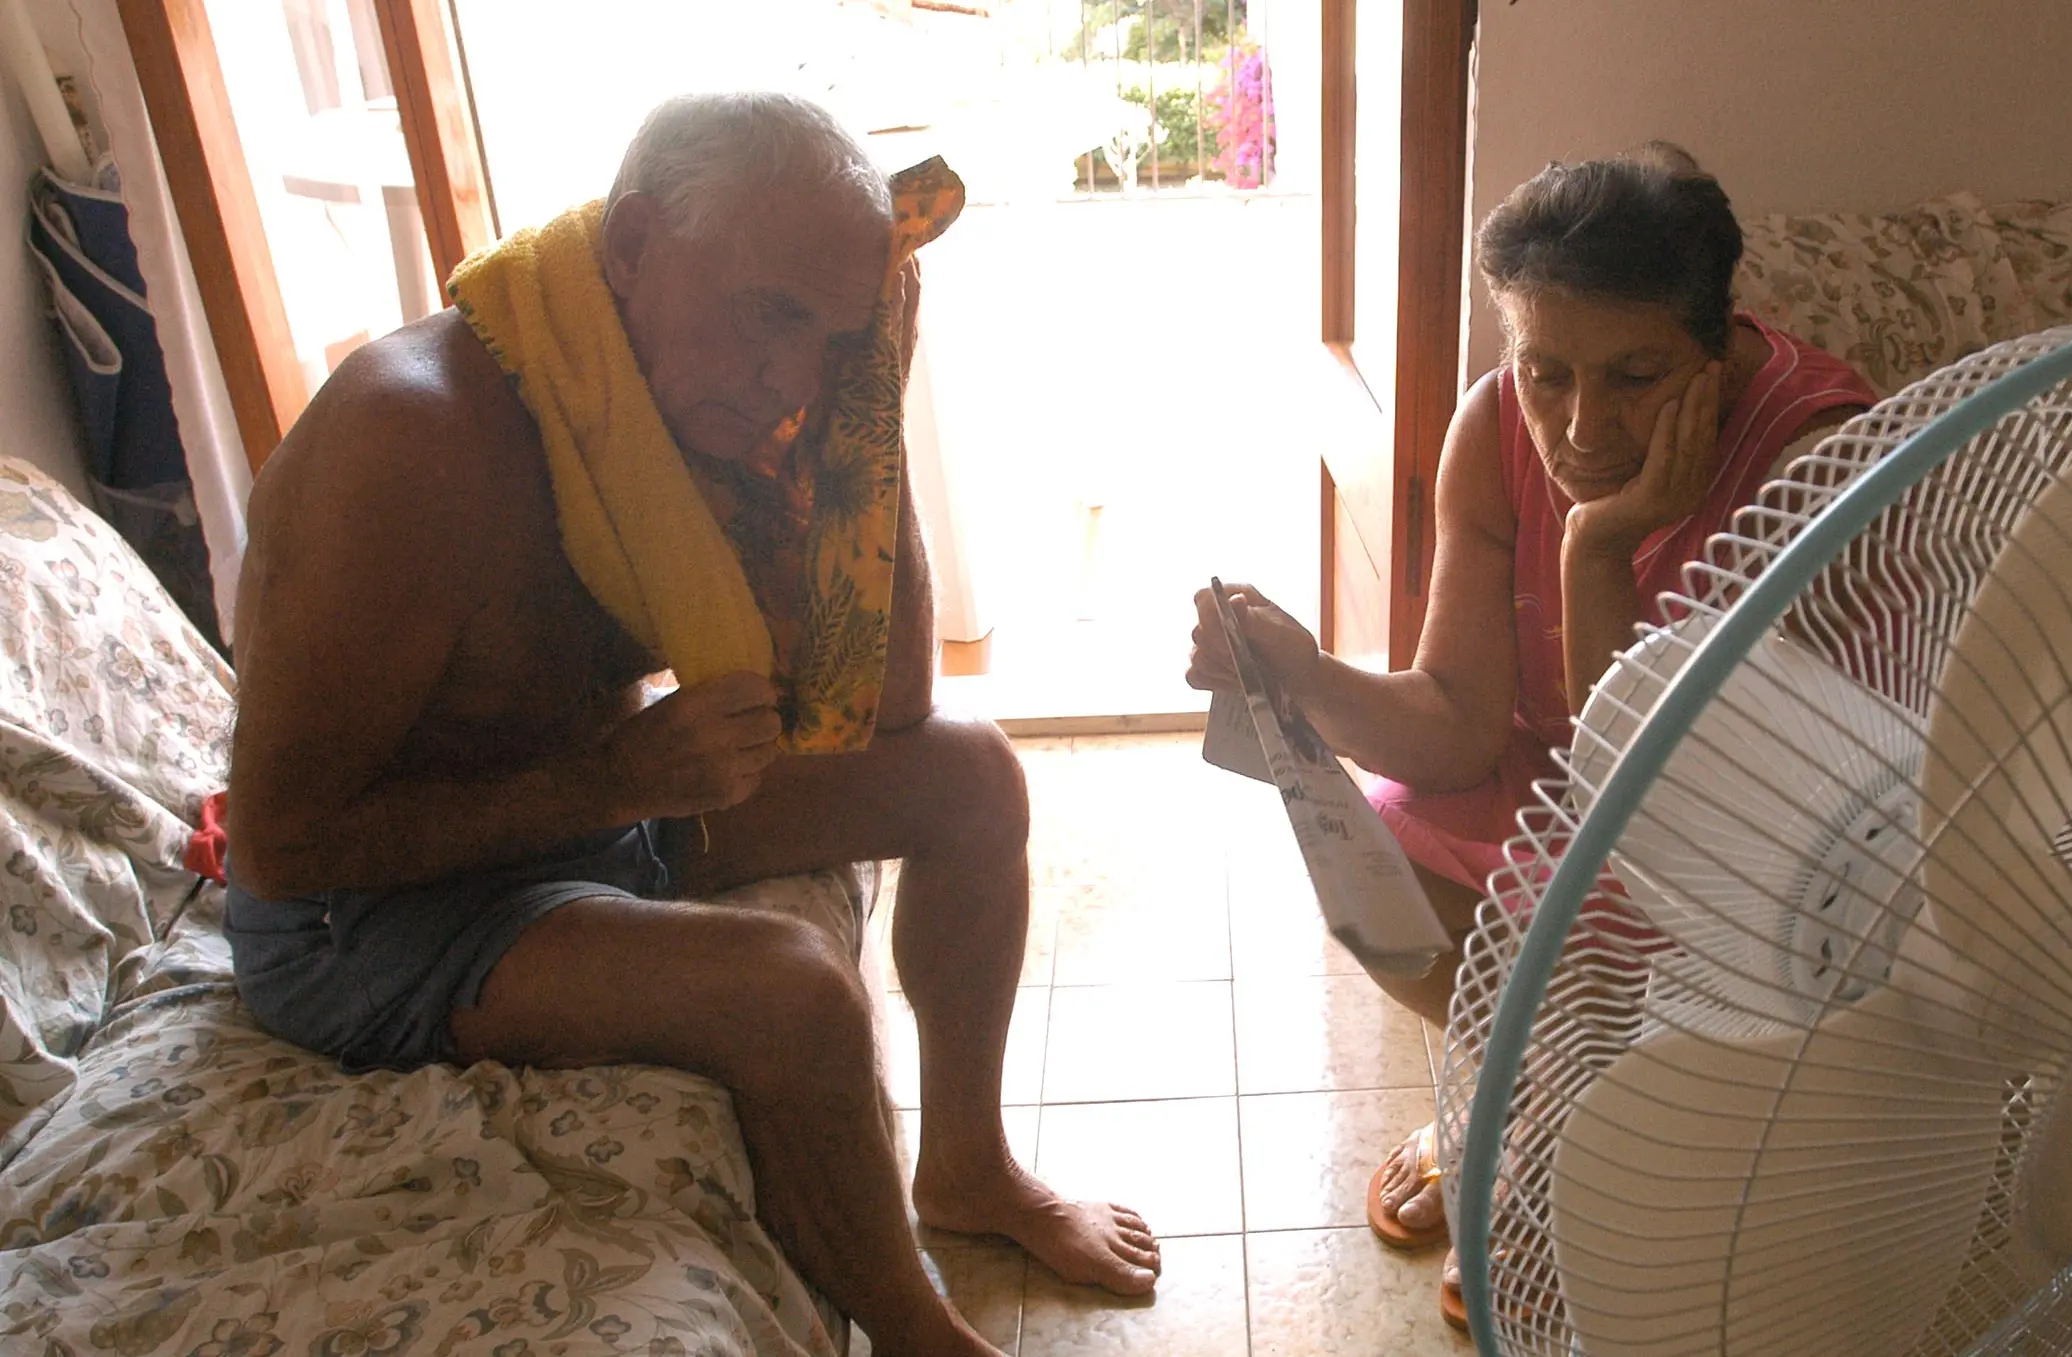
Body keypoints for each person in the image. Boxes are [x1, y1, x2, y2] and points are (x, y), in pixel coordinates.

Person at [222, 93, 1155, 1357]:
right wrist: (606, 786)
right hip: (373, 917)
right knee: (795, 992)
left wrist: (870, 411)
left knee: (972, 776)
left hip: (593, 809)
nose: (793, 375)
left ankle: (970, 1170)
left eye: (830, 336)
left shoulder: (704, 403)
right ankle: (914, 1334)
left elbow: (892, 707)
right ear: (635, 246)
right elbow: (279, 847)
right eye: (773, 313)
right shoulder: (412, 437)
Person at [1187, 143, 1876, 1327]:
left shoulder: (1814, 462)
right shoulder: (1494, 423)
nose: (1580, 425)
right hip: (1577, 763)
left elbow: (1659, 802)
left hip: (1735, 815)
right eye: (1545, 369)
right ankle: (1527, 1096)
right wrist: (1304, 675)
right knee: (1378, 865)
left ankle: (1544, 1124)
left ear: (1718, 345)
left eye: (1637, 373)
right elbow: (1455, 726)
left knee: (1603, 922)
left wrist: (1599, 542)